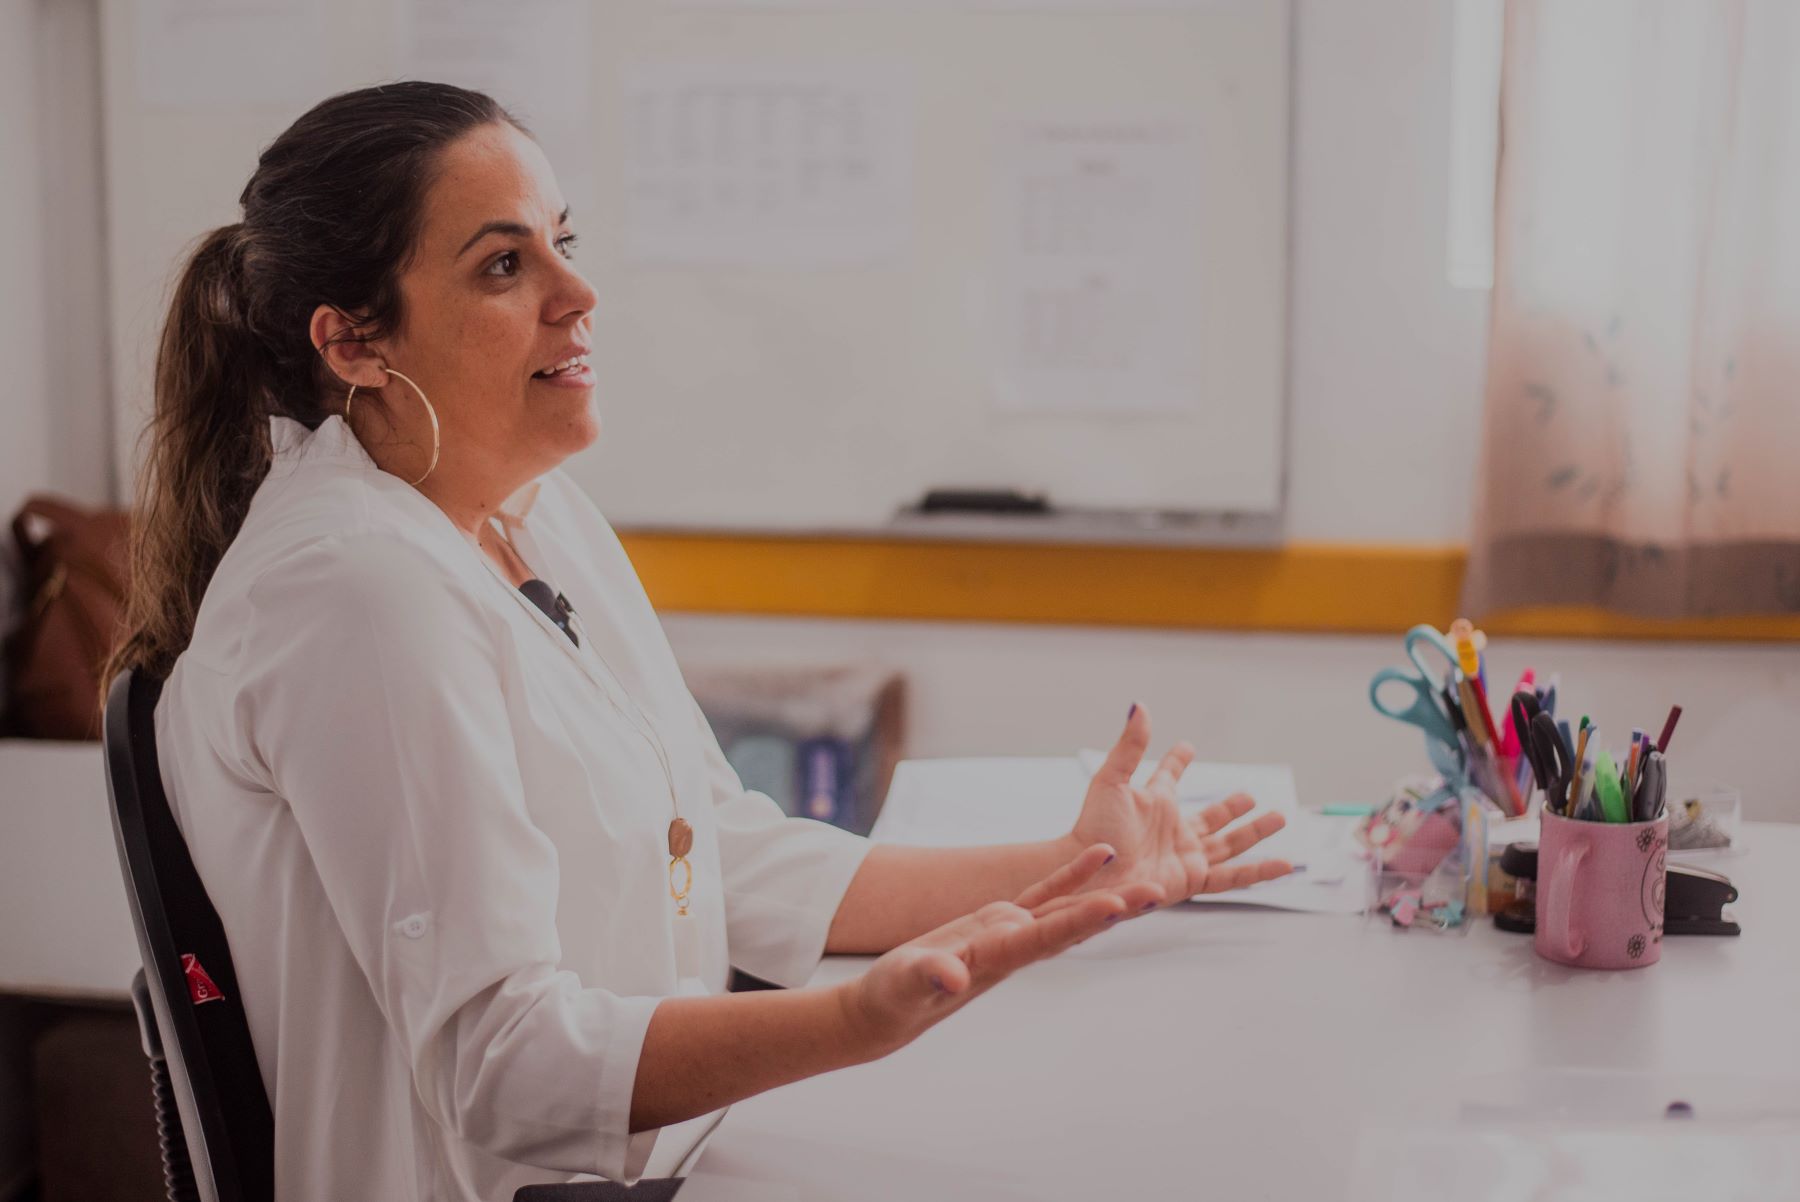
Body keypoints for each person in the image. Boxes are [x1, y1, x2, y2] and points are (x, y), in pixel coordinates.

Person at [104, 81, 1292, 1200]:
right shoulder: (351, 587)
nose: (578, 293)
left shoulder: (532, 515)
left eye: (566, 241)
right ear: (355, 343)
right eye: (505, 264)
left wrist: (1074, 863)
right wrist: (847, 1020)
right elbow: (499, 1059)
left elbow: (711, 851)